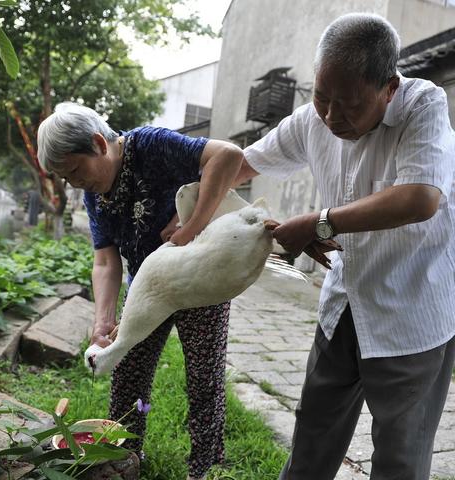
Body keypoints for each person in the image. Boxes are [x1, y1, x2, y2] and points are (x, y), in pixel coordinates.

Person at [234, 13, 455, 480]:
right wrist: (188, 205)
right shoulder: (312, 120)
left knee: (400, 454)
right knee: (314, 428)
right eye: (321, 97)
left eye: (350, 104)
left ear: (389, 89)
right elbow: (242, 165)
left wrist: (318, 224)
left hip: (411, 308)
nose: (332, 117)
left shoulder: (423, 104)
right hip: (345, 302)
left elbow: (420, 197)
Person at [37, 102, 244, 480]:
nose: (73, 183)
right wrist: (103, 320)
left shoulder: (149, 145)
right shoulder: (94, 194)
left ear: (99, 143)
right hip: (147, 290)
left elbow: (228, 157)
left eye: (74, 171)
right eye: (64, 178)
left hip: (199, 282)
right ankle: (124, 457)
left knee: (203, 377)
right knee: (128, 367)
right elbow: (105, 261)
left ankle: (205, 467)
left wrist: (192, 226)